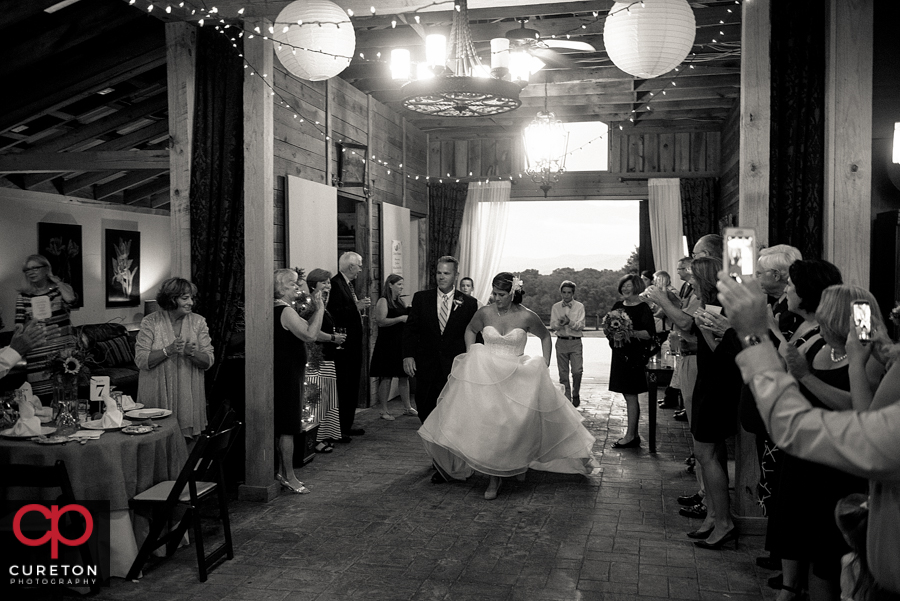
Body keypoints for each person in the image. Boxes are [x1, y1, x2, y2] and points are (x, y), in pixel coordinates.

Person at [717, 272, 900, 598]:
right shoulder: (825, 346)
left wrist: (754, 335)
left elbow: (855, 420)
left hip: (842, 474)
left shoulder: (870, 360)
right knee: (819, 561)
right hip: (819, 464)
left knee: (827, 562)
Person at [418, 272, 598, 500]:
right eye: (494, 293)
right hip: (486, 375)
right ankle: (494, 477)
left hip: (516, 376)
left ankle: (514, 464)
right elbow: (470, 330)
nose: (496, 298)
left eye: (501, 294)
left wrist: (544, 363)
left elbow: (544, 336)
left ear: (513, 293)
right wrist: (472, 353)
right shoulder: (484, 312)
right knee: (492, 425)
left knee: (513, 425)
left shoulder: (527, 316)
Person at [769, 283, 882, 601]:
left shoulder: (868, 351)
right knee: (812, 554)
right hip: (807, 457)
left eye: (824, 312)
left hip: (839, 468)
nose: (818, 317)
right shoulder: (821, 343)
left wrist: (806, 377)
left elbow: (859, 408)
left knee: (829, 560)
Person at [402, 256, 478, 426]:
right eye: (438, 272)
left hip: (453, 366)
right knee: (424, 407)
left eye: (446, 273)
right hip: (426, 364)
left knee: (451, 411)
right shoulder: (421, 298)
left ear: (456, 275)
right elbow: (411, 330)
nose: (441, 277)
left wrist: (472, 361)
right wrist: (408, 355)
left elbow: (473, 334)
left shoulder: (469, 303)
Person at [135, 277, 214, 438]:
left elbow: (208, 361)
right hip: (156, 395)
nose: (191, 302)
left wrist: (191, 353)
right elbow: (141, 360)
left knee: (187, 448)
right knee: (157, 442)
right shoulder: (150, 322)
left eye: (192, 298)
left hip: (189, 398)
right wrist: (168, 350)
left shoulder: (198, 322)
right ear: (172, 299)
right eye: (185, 298)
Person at [271, 268, 324, 493]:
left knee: (285, 426)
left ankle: (283, 472)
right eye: (292, 284)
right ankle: (289, 475)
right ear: (281, 287)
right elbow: (310, 335)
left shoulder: (282, 309)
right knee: (288, 427)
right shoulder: (284, 310)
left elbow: (305, 329)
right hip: (287, 375)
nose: (297, 287)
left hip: (288, 372)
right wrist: (320, 308)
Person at [15, 254, 77, 400]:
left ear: (46, 268)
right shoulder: (24, 297)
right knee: (43, 401)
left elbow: (71, 299)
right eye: (27, 270)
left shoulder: (58, 291)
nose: (31, 272)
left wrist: (57, 281)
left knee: (67, 396)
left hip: (63, 354)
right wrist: (32, 323)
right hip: (38, 356)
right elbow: (18, 327)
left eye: (35, 268)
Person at [607, 273, 656, 448]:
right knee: (628, 394)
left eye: (629, 285)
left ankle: (630, 436)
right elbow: (608, 328)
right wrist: (614, 334)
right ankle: (633, 434)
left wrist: (630, 333)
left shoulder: (643, 308)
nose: (625, 289)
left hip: (634, 356)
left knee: (630, 394)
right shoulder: (618, 306)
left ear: (637, 287)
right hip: (619, 353)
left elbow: (649, 333)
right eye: (623, 285)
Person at [327, 252, 371, 441]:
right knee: (344, 386)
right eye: (359, 265)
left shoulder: (348, 284)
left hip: (353, 344)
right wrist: (357, 307)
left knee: (352, 385)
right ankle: (340, 428)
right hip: (343, 347)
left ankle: (347, 424)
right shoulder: (336, 284)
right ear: (350, 266)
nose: (361, 269)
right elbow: (334, 313)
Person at [305, 269, 346, 453]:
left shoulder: (323, 303)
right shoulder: (310, 304)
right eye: (324, 283)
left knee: (327, 399)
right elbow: (311, 331)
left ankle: (325, 434)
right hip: (316, 358)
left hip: (328, 357)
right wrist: (331, 338)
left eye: (329, 282)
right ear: (313, 285)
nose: (328, 286)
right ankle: (315, 439)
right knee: (317, 401)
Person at [369, 274, 416, 420]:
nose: (402, 287)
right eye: (399, 284)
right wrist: (400, 318)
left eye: (402, 284)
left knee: (404, 376)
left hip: (399, 342)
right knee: (387, 376)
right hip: (387, 343)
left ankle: (407, 407)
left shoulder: (400, 301)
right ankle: (383, 410)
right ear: (390, 285)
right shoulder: (383, 301)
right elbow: (381, 321)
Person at [549, 280, 585, 406]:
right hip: (561, 341)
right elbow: (552, 325)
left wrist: (569, 322)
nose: (566, 295)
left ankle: (576, 392)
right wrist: (559, 323)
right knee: (563, 373)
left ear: (573, 293)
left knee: (577, 371)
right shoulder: (556, 307)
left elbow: (581, 325)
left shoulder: (579, 306)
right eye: (564, 292)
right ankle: (567, 400)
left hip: (575, 341)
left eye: (569, 292)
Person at [757, 244, 804, 339]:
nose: (756, 278)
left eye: (759, 274)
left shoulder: (792, 310)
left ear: (776, 275)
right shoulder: (779, 303)